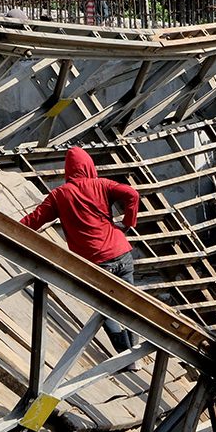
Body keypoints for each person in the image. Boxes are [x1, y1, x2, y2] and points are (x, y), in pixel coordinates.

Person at [20, 146, 141, 354]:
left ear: (68, 170)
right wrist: (128, 223)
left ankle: (127, 358)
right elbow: (131, 194)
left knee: (106, 311)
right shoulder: (102, 184)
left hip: (97, 263)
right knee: (128, 305)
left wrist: (7, 226)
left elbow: (35, 219)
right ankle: (136, 350)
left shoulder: (59, 195)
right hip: (122, 253)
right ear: (89, 166)